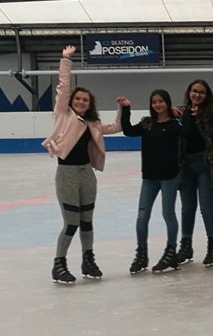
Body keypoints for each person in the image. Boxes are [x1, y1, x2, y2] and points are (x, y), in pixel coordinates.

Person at [42, 45, 121, 284]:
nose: (80, 101)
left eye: (85, 100)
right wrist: (66, 59)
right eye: (77, 98)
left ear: (89, 104)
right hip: (66, 175)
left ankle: (88, 260)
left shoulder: (93, 124)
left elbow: (115, 127)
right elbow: (63, 86)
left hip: (87, 175)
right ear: (71, 101)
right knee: (71, 222)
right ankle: (59, 264)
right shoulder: (63, 115)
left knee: (87, 222)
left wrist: (122, 109)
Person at [120, 90, 185, 274]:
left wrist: (181, 114)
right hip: (149, 177)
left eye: (161, 101)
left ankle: (171, 251)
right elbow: (128, 131)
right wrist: (126, 109)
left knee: (168, 213)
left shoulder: (175, 124)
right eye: (154, 102)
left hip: (170, 176)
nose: (157, 105)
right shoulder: (147, 124)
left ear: (167, 102)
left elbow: (189, 131)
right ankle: (141, 254)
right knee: (142, 216)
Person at [177, 78, 213, 267]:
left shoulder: (210, 112)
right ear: (189, 92)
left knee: (206, 207)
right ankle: (186, 246)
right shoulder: (181, 113)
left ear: (207, 96)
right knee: (187, 208)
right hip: (185, 167)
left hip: (206, 164)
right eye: (194, 91)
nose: (197, 95)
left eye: (202, 92)